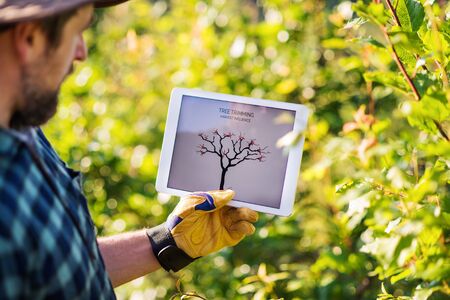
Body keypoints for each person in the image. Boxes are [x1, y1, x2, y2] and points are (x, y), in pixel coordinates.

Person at [0, 1, 259, 298]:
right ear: (29, 38)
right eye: (77, 33)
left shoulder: (25, 130)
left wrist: (169, 241)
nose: (82, 52)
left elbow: (58, 269)